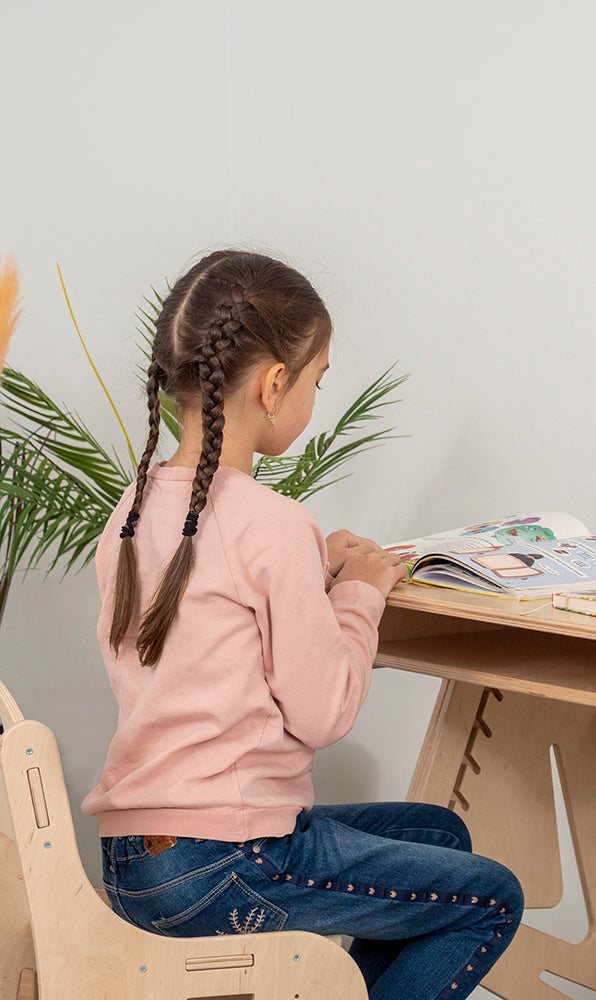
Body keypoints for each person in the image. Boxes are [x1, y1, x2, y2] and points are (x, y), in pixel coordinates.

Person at [82, 249, 523, 1000]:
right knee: (490, 899)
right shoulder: (271, 523)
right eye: (319, 379)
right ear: (275, 383)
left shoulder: (130, 515)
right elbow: (324, 713)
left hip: (137, 861)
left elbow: (208, 619)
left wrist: (317, 574)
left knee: (437, 833)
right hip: (228, 859)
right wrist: (359, 597)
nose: (315, 395)